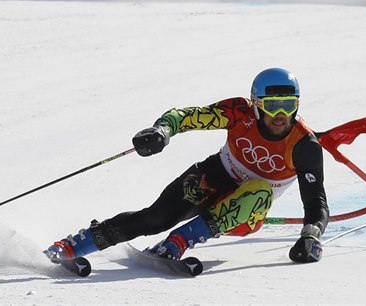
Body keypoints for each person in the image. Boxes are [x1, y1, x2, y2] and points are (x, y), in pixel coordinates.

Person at [44, 67, 329, 264]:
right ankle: (76, 244)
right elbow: (187, 117)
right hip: (213, 178)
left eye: (289, 105)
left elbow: (316, 204)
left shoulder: (304, 146)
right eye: (273, 105)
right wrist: (162, 131)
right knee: (155, 218)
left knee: (258, 190)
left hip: (247, 213)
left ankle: (180, 240)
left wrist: (310, 236)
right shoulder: (238, 112)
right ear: (255, 104)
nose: (281, 115)